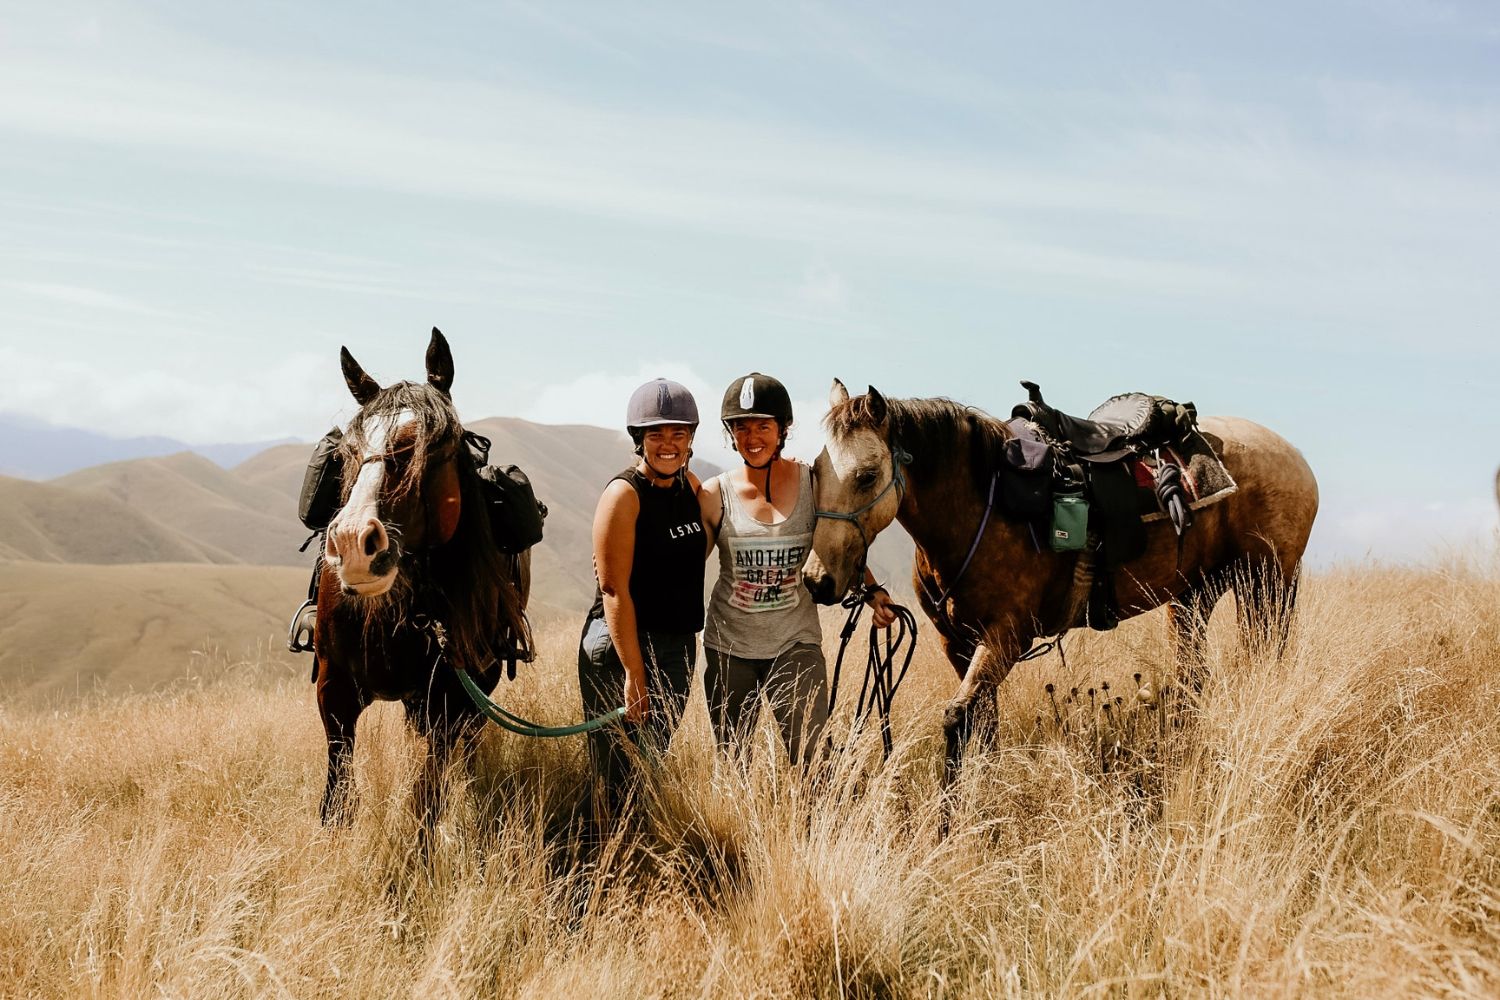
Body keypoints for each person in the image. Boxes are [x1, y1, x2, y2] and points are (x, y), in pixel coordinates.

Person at [699, 372, 895, 766]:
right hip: (729, 648)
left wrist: (873, 593)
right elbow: (685, 565)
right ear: (730, 434)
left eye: (762, 426)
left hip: (796, 644)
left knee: (813, 758)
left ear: (783, 429)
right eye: (741, 427)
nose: (752, 436)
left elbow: (835, 543)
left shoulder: (813, 483)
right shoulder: (714, 494)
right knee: (733, 764)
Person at [577, 378, 706, 811]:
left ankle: (634, 844)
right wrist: (634, 673)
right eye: (656, 434)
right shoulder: (624, 494)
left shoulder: (690, 487)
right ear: (640, 439)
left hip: (677, 644)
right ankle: (596, 849)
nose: (668, 444)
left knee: (649, 764)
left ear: (690, 438)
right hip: (624, 645)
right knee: (614, 770)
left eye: (678, 434)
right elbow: (613, 589)